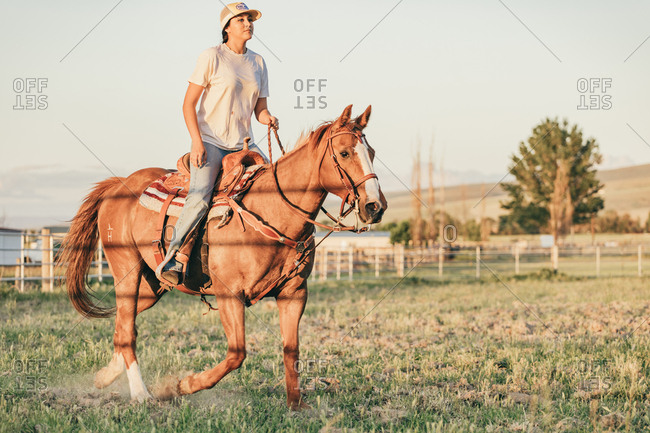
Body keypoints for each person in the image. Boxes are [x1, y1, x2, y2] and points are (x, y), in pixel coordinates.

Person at [156, 2, 278, 285]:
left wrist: (268, 117)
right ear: (227, 28)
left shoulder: (259, 62)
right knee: (199, 198)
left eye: (250, 19)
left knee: (275, 185)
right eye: (241, 19)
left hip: (244, 143)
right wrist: (196, 142)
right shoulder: (212, 56)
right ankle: (174, 259)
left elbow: (260, 108)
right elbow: (188, 105)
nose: (248, 23)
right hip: (211, 141)